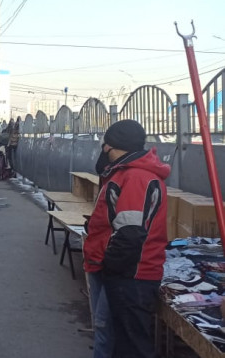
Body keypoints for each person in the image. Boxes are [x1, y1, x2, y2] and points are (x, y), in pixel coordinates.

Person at [83, 119, 169, 358]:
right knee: (110, 333)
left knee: (127, 344)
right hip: (122, 270)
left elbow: (130, 234)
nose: (103, 150)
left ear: (113, 145)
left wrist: (110, 267)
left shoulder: (136, 177)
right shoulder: (124, 174)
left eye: (106, 144)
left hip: (130, 275)